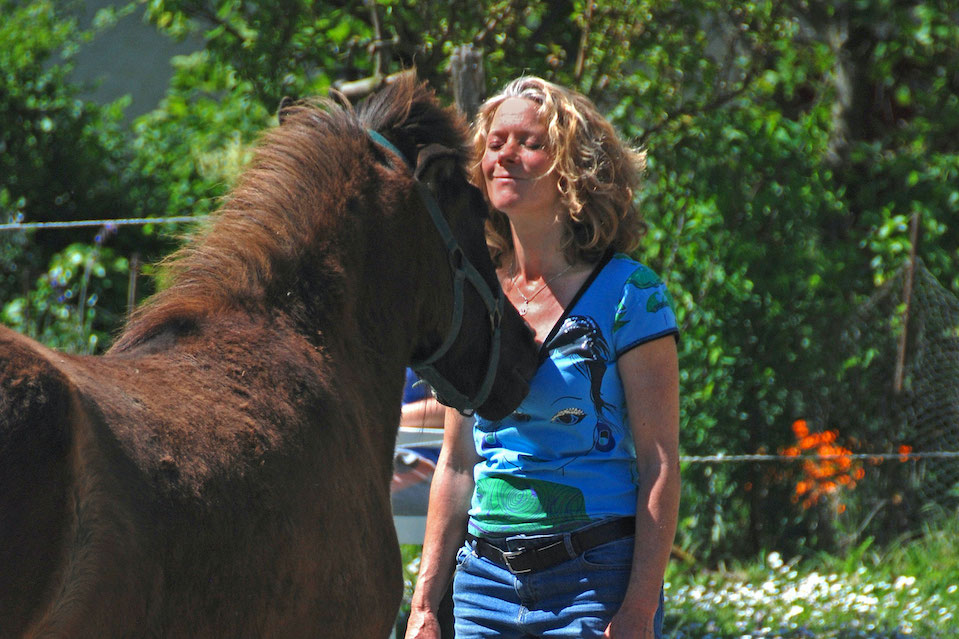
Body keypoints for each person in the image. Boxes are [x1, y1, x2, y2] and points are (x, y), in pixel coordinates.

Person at [404, 76, 680, 639]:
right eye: (495, 142)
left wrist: (638, 608)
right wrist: (426, 602)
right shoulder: (475, 295)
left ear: (575, 169)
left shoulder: (631, 293)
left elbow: (660, 464)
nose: (505, 155)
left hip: (593, 583)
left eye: (529, 142)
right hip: (482, 585)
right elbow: (457, 464)